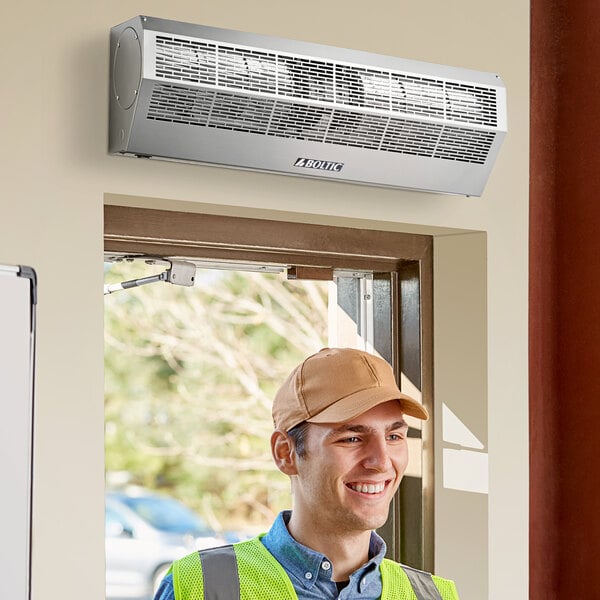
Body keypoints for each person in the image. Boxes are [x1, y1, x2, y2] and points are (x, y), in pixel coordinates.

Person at [154, 347, 460, 600]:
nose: (381, 461)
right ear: (285, 453)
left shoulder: (434, 596)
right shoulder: (200, 587)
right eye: (352, 438)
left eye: (394, 436)